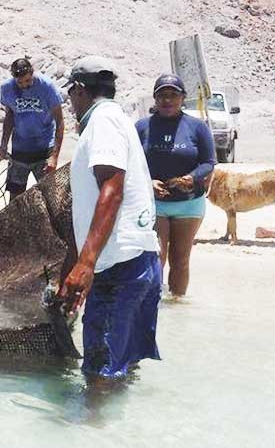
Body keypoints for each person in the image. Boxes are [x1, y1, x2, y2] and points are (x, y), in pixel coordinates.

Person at [56, 57, 161, 383]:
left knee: (98, 380)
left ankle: (91, 430)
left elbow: (112, 189)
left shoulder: (102, 123)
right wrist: (75, 264)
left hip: (119, 270)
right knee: (123, 373)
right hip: (137, 262)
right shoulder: (118, 119)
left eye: (71, 94)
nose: (71, 103)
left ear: (80, 90)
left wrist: (86, 265)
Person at [135, 74, 215, 299]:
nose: (167, 100)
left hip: (189, 205)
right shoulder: (141, 127)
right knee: (155, 256)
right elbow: (130, 163)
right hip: (153, 204)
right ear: (154, 98)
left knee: (180, 260)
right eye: (162, 96)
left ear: (183, 98)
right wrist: (147, 182)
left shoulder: (197, 127)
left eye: (173, 95)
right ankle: (154, 306)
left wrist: (192, 177)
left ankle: (178, 304)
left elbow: (209, 162)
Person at [0, 58, 66, 201]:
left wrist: (54, 157)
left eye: (27, 81)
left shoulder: (47, 87)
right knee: (15, 199)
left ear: (33, 73)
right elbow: (9, 117)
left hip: (44, 148)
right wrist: (3, 146)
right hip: (20, 150)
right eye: (19, 82)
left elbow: (60, 121)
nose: (24, 86)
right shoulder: (7, 88)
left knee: (50, 197)